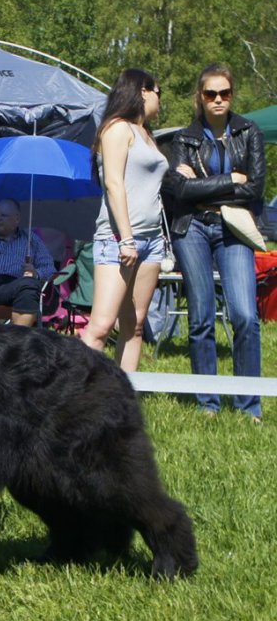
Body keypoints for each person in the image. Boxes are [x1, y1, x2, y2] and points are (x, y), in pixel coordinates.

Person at [166, 64, 264, 422]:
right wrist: (229, 180)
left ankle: (249, 404)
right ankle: (208, 403)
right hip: (191, 227)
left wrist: (203, 187)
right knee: (201, 316)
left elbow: (254, 188)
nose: (218, 99)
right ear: (200, 97)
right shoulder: (183, 139)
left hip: (234, 227)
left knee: (245, 315)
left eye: (224, 93)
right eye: (211, 94)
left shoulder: (249, 132)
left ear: (232, 95)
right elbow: (177, 189)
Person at [82, 69, 166, 372]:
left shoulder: (147, 134)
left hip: (152, 241)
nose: (160, 99)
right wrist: (127, 238)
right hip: (119, 240)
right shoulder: (117, 129)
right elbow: (114, 184)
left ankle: (126, 396)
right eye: (159, 91)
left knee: (135, 324)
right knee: (101, 326)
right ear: (143, 91)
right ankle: (74, 395)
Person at [0, 198, 57, 326]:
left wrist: (35, 273)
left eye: (3, 215)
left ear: (16, 219)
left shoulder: (31, 239)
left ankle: (18, 338)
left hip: (16, 286)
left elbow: (50, 268)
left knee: (29, 284)